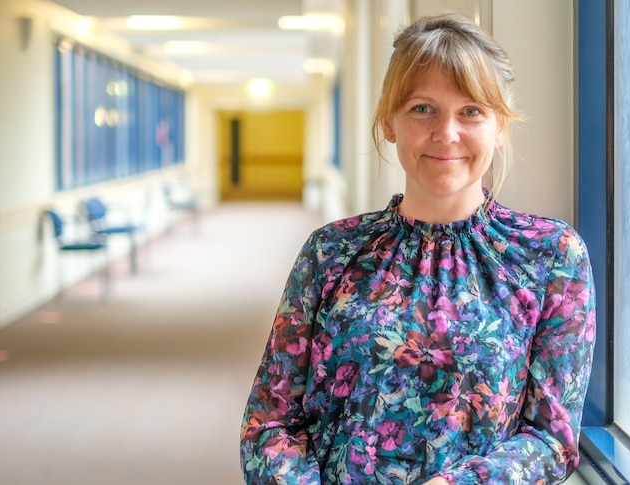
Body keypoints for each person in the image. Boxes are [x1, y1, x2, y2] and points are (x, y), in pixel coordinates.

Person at [240, 12, 595, 484]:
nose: (446, 133)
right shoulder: (330, 251)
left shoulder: (552, 256)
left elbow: (552, 439)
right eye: (423, 109)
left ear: (500, 127)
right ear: (389, 122)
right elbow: (270, 422)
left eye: (471, 111)